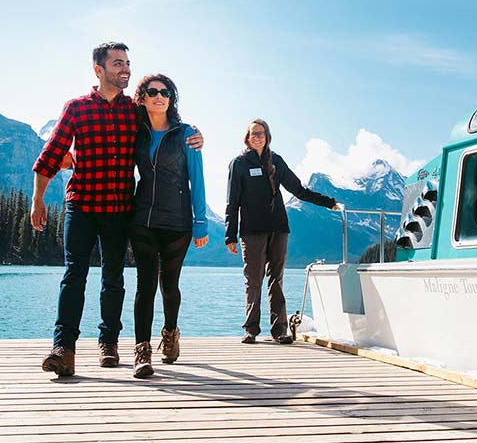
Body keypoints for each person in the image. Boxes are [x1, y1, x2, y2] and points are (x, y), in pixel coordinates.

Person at [31, 43, 202, 377]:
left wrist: (194, 136)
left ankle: (108, 343)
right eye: (117, 63)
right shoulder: (76, 108)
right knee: (73, 275)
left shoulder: (133, 111)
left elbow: (164, 121)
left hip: (120, 208)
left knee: (114, 277)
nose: (125, 69)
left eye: (127, 63)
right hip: (80, 205)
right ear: (99, 70)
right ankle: (63, 349)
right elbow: (50, 155)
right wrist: (37, 200)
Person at [225, 119, 339, 344]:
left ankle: (279, 330)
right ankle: (251, 329)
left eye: (261, 133)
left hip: (278, 228)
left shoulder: (276, 161)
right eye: (253, 133)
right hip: (251, 231)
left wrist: (328, 202)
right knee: (254, 280)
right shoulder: (238, 164)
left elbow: (298, 190)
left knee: (276, 279)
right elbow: (232, 201)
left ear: (267, 136)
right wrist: (230, 234)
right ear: (247, 138)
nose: (257, 137)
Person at [128, 74, 208, 378]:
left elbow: (196, 179)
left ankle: (171, 332)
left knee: (169, 283)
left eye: (165, 92)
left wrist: (200, 223)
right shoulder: (137, 132)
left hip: (177, 220)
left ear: (171, 99)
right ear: (143, 98)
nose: (159, 96)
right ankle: (142, 350)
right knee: (145, 283)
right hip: (143, 218)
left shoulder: (186, 134)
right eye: (152, 92)